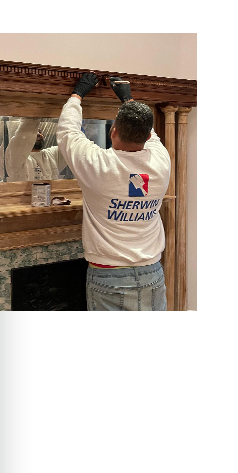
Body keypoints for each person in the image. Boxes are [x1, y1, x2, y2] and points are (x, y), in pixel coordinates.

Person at [56, 73, 171, 311]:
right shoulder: (162, 161)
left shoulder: (97, 165)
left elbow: (68, 132)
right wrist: (127, 98)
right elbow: (147, 131)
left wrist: (77, 95)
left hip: (109, 277)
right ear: (149, 136)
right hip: (153, 273)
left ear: (113, 131)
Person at [4, 118, 68, 181]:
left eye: (40, 132)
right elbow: (22, 135)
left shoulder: (52, 155)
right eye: (34, 132)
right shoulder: (14, 158)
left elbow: (70, 144)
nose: (39, 134)